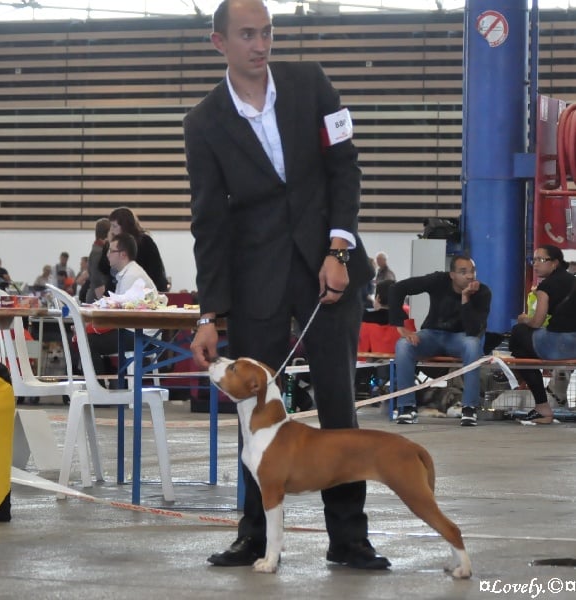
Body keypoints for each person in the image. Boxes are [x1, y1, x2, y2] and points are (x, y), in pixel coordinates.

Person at [185, 0, 386, 571]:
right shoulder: (203, 122)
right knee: (252, 414)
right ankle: (254, 537)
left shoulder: (312, 84)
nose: (261, 45)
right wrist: (209, 314)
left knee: (338, 406)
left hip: (330, 271)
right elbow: (209, 222)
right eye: (247, 34)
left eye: (267, 33)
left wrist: (339, 249)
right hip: (256, 281)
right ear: (219, 42)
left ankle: (349, 539)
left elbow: (346, 167)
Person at [389, 254, 491, 426]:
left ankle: (469, 408)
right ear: (452, 275)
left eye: (472, 271)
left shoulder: (483, 292)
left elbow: (473, 331)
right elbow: (396, 289)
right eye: (463, 272)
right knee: (403, 345)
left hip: (461, 338)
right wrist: (399, 325)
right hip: (432, 334)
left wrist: (465, 299)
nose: (470, 276)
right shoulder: (438, 280)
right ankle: (406, 407)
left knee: (473, 345)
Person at [509, 245, 576, 424]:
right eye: (534, 260)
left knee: (518, 334)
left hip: (557, 345)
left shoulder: (545, 286)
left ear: (554, 263)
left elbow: (537, 322)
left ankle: (542, 406)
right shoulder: (573, 280)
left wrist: (524, 319)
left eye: (541, 259)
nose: (536, 264)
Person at [87, 232, 157, 379]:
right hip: (135, 330)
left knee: (87, 342)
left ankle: (98, 389)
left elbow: (118, 315)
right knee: (87, 337)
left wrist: (92, 325)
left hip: (142, 335)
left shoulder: (131, 275)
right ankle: (104, 385)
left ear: (123, 254)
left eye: (111, 251)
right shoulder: (127, 273)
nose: (107, 255)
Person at [98, 207, 168, 293]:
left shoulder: (144, 242)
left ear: (125, 226)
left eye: (114, 226)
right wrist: (109, 244)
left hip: (139, 289)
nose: (111, 230)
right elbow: (103, 267)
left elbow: (156, 270)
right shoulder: (113, 241)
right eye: (111, 226)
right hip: (115, 288)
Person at [85, 217, 111, 303]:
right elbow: (97, 279)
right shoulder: (98, 252)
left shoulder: (98, 249)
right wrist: (104, 301)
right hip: (97, 298)